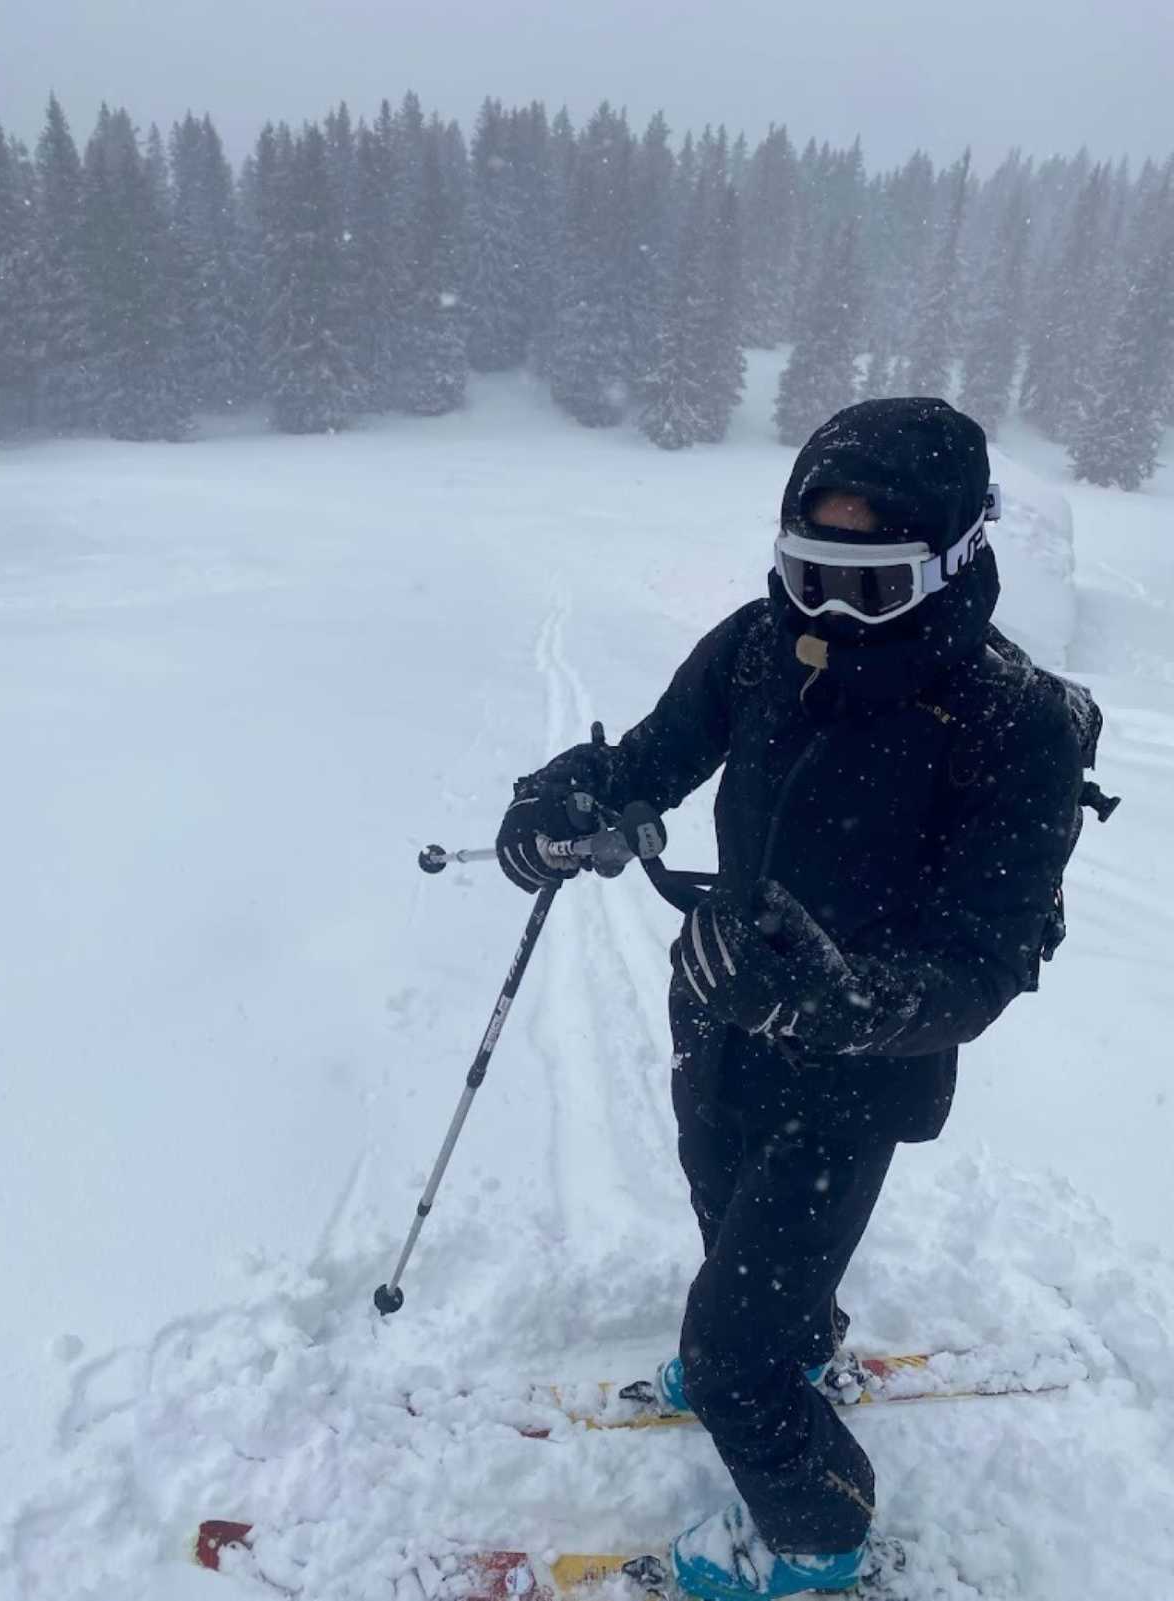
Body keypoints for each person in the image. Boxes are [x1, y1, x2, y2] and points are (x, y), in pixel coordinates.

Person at [495, 398, 1086, 1599]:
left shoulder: (1016, 720)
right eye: (808, 573)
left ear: (954, 561)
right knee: (719, 1201)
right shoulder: (760, 645)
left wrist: (834, 996)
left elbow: (981, 966)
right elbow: (651, 757)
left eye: (870, 586)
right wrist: (569, 795)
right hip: (719, 1006)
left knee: (729, 1357)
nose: (829, 613)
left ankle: (817, 1531)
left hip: (861, 1070)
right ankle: (796, 1343)